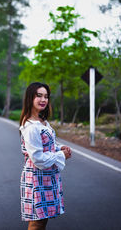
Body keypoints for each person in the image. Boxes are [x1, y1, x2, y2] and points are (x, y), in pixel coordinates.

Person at [19, 82, 72, 230]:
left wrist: (59, 147)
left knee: (43, 220)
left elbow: (46, 144)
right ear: (30, 98)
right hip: (37, 178)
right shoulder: (31, 127)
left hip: (46, 177)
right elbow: (38, 159)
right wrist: (60, 155)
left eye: (46, 96)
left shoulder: (41, 121)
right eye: (39, 96)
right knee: (37, 221)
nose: (43, 100)